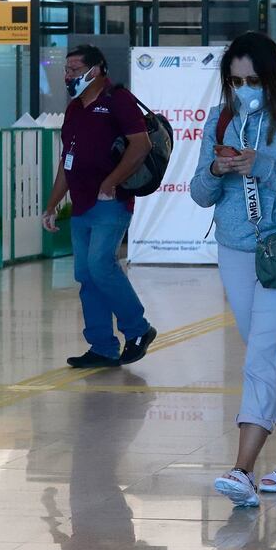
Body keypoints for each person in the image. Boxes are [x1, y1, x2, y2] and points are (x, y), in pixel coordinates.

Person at [190, 31, 276, 508]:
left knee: (261, 356)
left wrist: (263, 166)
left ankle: (242, 469)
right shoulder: (220, 119)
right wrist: (216, 170)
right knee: (267, 354)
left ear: (272, 77)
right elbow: (198, 193)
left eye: (252, 80)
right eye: (235, 81)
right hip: (235, 249)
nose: (244, 89)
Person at [42, 44, 157, 368]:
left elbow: (141, 145)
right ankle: (102, 346)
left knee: (100, 265)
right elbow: (67, 160)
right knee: (86, 274)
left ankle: (138, 329)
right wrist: (52, 204)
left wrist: (111, 182)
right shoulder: (75, 109)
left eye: (74, 70)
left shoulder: (118, 100)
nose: (68, 76)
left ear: (95, 70)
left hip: (111, 202)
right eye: (66, 70)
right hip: (82, 204)